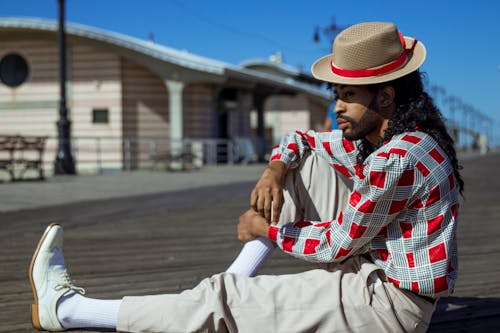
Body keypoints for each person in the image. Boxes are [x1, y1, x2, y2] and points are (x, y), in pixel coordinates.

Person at [29, 21, 463, 332]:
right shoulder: (403, 137)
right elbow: (303, 140)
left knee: (220, 301)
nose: (337, 108)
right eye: (337, 95)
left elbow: (338, 242)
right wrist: (274, 170)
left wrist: (267, 228)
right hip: (374, 274)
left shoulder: (397, 159)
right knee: (305, 162)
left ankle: (67, 310)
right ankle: (242, 274)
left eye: (348, 96)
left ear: (385, 97)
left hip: (386, 308)